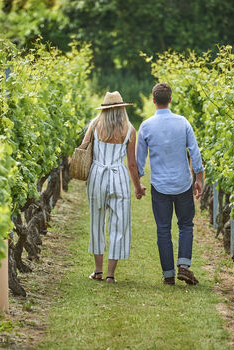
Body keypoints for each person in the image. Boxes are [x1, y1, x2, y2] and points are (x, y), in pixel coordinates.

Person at [136, 83, 204, 285]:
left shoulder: (146, 126)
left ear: (154, 100)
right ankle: (183, 265)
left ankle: (168, 274)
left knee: (163, 229)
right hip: (183, 182)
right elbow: (195, 153)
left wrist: (138, 183)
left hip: (160, 185)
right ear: (171, 99)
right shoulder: (183, 122)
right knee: (185, 225)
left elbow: (139, 160)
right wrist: (198, 178)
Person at [82, 91, 146, 283]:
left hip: (97, 176)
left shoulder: (94, 124)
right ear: (121, 109)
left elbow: (83, 148)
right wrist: (137, 187)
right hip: (118, 177)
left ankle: (98, 271)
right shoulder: (129, 129)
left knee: (97, 223)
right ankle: (110, 274)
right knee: (119, 224)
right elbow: (132, 164)